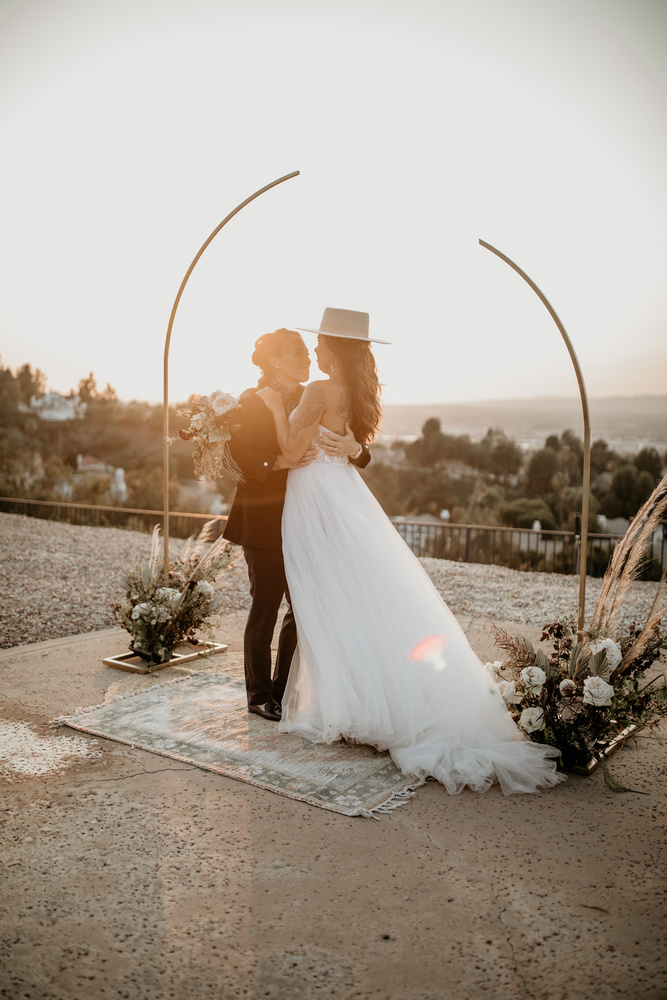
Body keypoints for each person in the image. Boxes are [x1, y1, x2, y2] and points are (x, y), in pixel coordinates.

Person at [257, 308, 563, 795]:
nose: (314, 350)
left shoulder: (317, 389)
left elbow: (292, 450)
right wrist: (351, 448)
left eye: (320, 343)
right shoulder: (355, 392)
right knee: (350, 597)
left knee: (322, 597)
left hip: (314, 497)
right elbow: (355, 446)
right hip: (342, 493)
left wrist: (274, 409)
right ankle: (367, 697)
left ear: (336, 346)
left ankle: (351, 702)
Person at [223, 327, 371, 721]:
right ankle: (257, 695)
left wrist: (357, 450)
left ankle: (281, 688)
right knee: (265, 607)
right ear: (274, 361)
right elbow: (238, 455)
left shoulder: (320, 394)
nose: (307, 358)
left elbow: (350, 438)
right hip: (264, 521)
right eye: (297, 353)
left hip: (306, 518)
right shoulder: (252, 402)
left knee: (302, 609)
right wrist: (278, 462)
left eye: (308, 352)